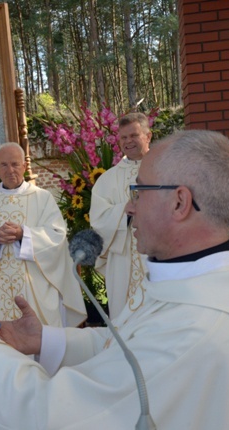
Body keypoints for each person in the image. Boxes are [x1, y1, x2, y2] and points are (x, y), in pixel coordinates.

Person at [0, 130, 229, 429]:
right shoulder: (211, 282)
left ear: (180, 203)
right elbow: (128, 347)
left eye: (139, 190)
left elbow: (51, 413)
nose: (131, 206)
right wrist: (48, 341)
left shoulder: (193, 330)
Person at [0, 142, 86, 328]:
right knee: (5, 343)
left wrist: (24, 234)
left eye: (15, 164)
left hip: (35, 286)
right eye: (3, 165)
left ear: (24, 166)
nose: (10, 170)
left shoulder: (42, 198)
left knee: (40, 343)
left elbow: (57, 235)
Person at [89, 112, 152, 318]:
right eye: (124, 137)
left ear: (148, 136)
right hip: (123, 262)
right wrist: (122, 212)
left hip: (157, 257)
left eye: (134, 135)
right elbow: (97, 222)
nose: (128, 141)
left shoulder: (165, 170)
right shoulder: (107, 180)